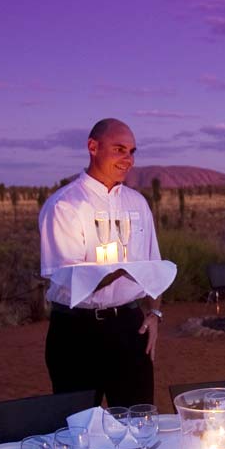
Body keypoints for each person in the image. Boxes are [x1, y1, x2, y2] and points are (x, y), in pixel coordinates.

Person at [38, 118, 164, 408]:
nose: (128, 159)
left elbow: (154, 268)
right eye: (119, 149)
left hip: (130, 328)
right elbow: (71, 278)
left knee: (139, 424)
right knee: (78, 429)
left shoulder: (138, 204)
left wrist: (155, 314)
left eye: (132, 151)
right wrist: (121, 269)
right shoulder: (65, 205)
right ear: (93, 147)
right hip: (76, 333)